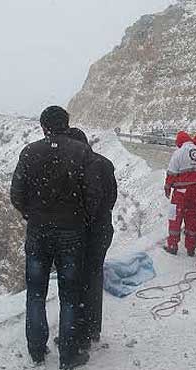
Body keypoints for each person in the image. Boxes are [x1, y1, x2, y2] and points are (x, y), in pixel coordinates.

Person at [10, 106, 91, 369]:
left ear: (44, 126)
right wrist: (81, 219)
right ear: (66, 125)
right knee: (69, 295)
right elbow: (92, 194)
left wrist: (31, 215)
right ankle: (68, 356)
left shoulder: (30, 152)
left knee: (35, 294)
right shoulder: (81, 151)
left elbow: (17, 194)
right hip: (71, 232)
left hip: (38, 232)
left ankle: (36, 350)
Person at [66, 128, 117, 350]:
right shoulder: (104, 163)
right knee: (94, 278)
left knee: (77, 282)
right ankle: (93, 327)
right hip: (103, 228)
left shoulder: (77, 166)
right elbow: (111, 197)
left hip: (83, 231)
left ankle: (79, 332)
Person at [164, 131, 196, 256]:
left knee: (175, 219)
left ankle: (173, 245)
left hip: (181, 192)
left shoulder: (179, 153)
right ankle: (191, 247)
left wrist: (167, 188)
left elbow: (171, 173)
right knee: (192, 219)